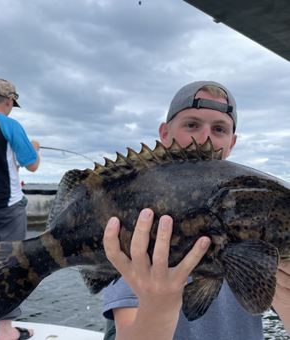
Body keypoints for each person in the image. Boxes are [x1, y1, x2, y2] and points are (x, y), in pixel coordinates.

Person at [102, 81, 290, 340]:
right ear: (165, 134)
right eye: (192, 125)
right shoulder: (140, 218)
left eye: (219, 129)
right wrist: (158, 308)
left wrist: (287, 302)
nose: (205, 139)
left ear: (232, 143)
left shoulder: (265, 244)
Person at [0, 79, 40, 340]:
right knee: (12, 263)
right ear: (9, 101)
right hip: (8, 207)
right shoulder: (10, 125)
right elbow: (32, 165)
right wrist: (35, 149)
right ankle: (6, 330)